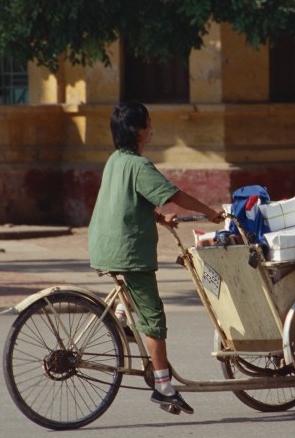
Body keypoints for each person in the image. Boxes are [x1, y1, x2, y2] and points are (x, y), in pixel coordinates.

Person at [88, 102, 224, 415]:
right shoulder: (139, 165)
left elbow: (128, 201)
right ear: (138, 130)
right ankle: (163, 387)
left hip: (105, 244)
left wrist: (160, 219)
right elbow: (173, 194)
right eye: (148, 124)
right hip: (128, 251)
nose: (152, 129)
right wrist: (210, 213)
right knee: (155, 318)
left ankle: (121, 318)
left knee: (136, 301)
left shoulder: (116, 161)